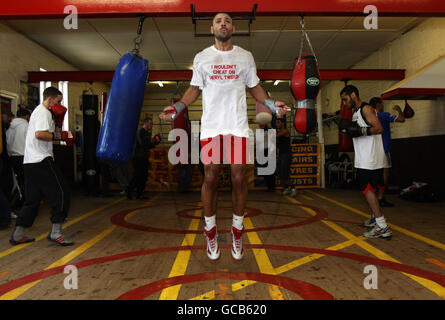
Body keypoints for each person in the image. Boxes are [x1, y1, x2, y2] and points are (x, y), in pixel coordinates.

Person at [159, 12, 290, 261]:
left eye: (227, 21)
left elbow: (255, 88)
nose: (223, 24)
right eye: (218, 21)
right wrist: (176, 108)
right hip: (211, 128)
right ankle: (210, 232)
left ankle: (237, 230)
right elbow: (193, 91)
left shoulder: (245, 56)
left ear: (233, 28)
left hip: (237, 126)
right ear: (212, 29)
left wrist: (272, 104)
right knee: (210, 175)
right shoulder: (202, 58)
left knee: (239, 175)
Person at [10, 87, 74, 246]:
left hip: (30, 162)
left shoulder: (43, 113)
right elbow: (40, 134)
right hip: (41, 160)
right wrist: (62, 137)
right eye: (59, 101)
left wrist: (58, 124)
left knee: (32, 199)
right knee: (61, 192)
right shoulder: (43, 112)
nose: (60, 104)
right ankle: (56, 233)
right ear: (50, 99)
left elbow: (47, 135)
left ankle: (18, 235)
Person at [339, 85, 392, 239]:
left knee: (367, 189)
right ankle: (375, 218)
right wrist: (352, 130)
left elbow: (379, 128)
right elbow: (361, 131)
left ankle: (382, 226)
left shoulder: (366, 109)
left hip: (369, 158)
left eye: (345, 99)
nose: (344, 103)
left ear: (353, 94)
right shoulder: (356, 112)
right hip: (366, 156)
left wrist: (360, 131)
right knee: (371, 190)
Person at [369, 97, 405, 207]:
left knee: (374, 173)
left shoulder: (369, 117)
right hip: (384, 147)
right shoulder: (384, 115)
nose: (383, 105)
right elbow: (401, 119)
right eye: (381, 104)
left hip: (373, 149)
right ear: (378, 105)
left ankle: (373, 197)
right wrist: (399, 110)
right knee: (385, 173)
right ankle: (381, 197)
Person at [126, 117, 160, 200]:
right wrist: (153, 141)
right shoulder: (140, 132)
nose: (152, 125)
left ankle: (139, 194)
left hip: (144, 157)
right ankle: (129, 190)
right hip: (138, 157)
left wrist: (156, 142)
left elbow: (148, 146)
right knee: (138, 175)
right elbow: (143, 143)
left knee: (143, 176)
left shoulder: (147, 133)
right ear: (145, 123)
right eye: (150, 123)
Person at [6, 108, 31, 210]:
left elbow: (7, 141)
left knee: (17, 182)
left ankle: (16, 202)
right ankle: (23, 204)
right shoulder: (26, 126)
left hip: (11, 157)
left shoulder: (10, 127)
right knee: (26, 182)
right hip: (23, 157)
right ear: (26, 116)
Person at [276, 118, 296, 197]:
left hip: (286, 154)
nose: (277, 124)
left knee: (285, 173)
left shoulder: (285, 131)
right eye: (276, 123)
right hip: (281, 154)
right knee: (280, 173)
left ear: (283, 123)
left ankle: (293, 188)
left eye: (278, 123)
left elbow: (276, 136)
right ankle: (286, 188)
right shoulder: (279, 132)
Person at [256, 121, 275, 192]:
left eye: (261, 123)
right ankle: (270, 186)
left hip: (268, 151)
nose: (259, 124)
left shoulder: (269, 130)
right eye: (259, 123)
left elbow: (271, 141)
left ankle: (271, 186)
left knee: (269, 170)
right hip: (263, 151)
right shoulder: (261, 131)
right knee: (265, 170)